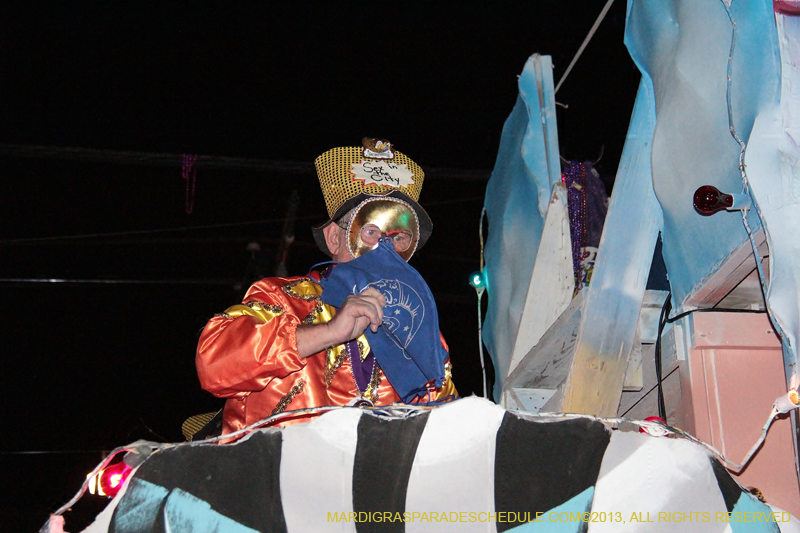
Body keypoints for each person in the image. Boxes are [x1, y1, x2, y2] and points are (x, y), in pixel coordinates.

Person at [196, 138, 456, 435]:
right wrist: (328, 332)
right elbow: (213, 363)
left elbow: (446, 425)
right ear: (335, 238)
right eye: (371, 232)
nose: (386, 250)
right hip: (270, 475)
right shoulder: (282, 298)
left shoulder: (419, 328)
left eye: (399, 238)